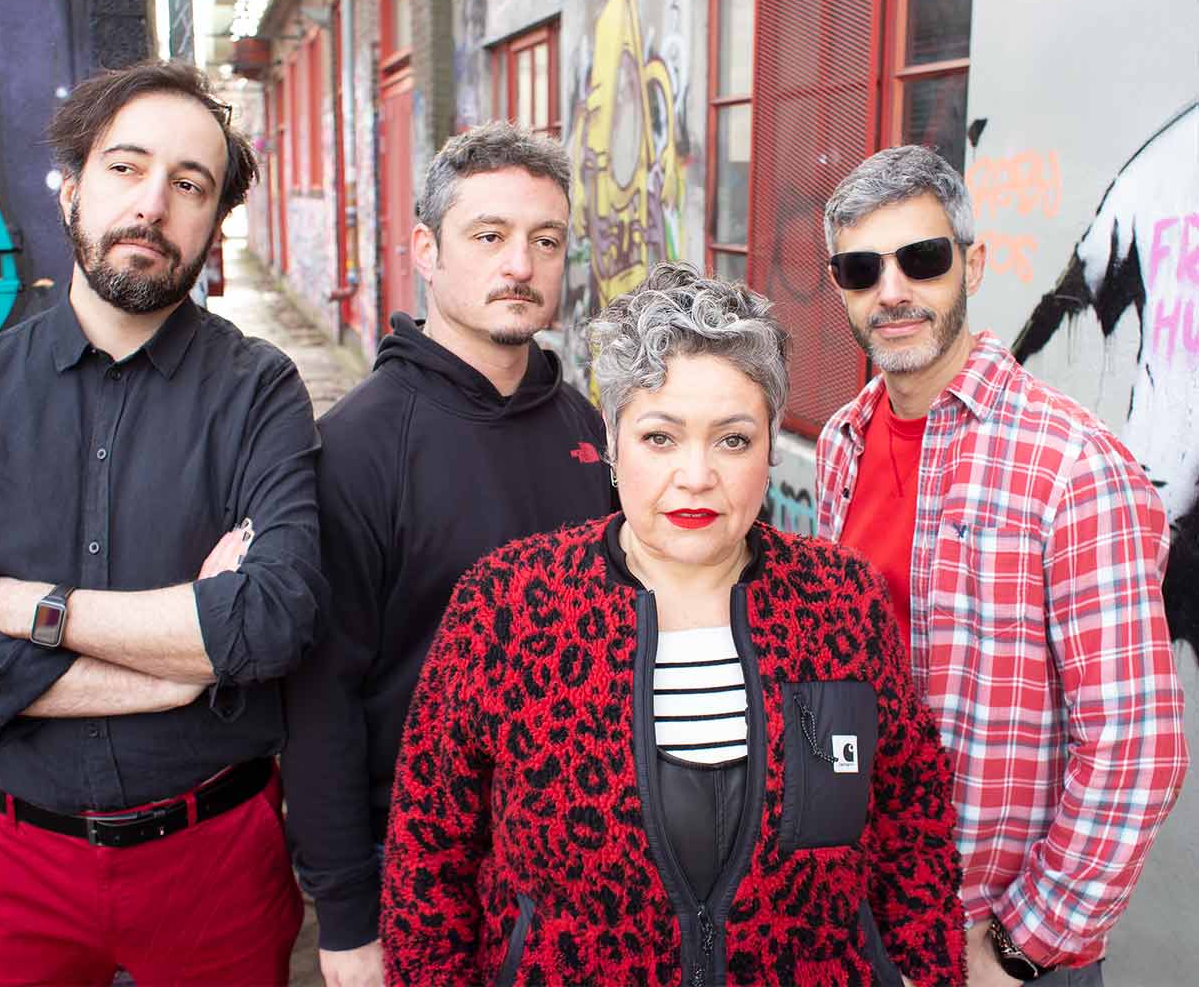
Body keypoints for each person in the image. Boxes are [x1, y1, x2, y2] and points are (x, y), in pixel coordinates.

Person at [0, 60, 324, 986]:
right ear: (73, 188)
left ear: (214, 222)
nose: (152, 205)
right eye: (126, 168)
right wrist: (174, 675)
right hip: (12, 861)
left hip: (214, 864)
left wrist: (35, 609)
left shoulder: (260, 391)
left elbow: (273, 619)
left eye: (189, 185)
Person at [381, 263, 966, 986]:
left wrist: (927, 973)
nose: (696, 475)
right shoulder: (508, 605)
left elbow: (914, 823)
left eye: (732, 440)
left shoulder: (841, 602)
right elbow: (426, 860)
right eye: (660, 438)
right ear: (612, 443)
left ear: (770, 444)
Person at [814, 146, 1189, 985]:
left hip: (998, 944)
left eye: (922, 258)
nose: (892, 290)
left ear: (973, 264)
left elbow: (1136, 748)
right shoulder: (843, 441)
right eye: (861, 269)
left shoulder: (1072, 466)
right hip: (868, 920)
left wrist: (1020, 948)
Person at [282, 121, 613, 987]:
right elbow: (318, 704)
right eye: (489, 236)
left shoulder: (586, 426)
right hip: (424, 873)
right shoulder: (357, 448)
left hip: (584, 860)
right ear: (427, 251)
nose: (521, 265)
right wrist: (347, 921)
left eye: (546, 241)